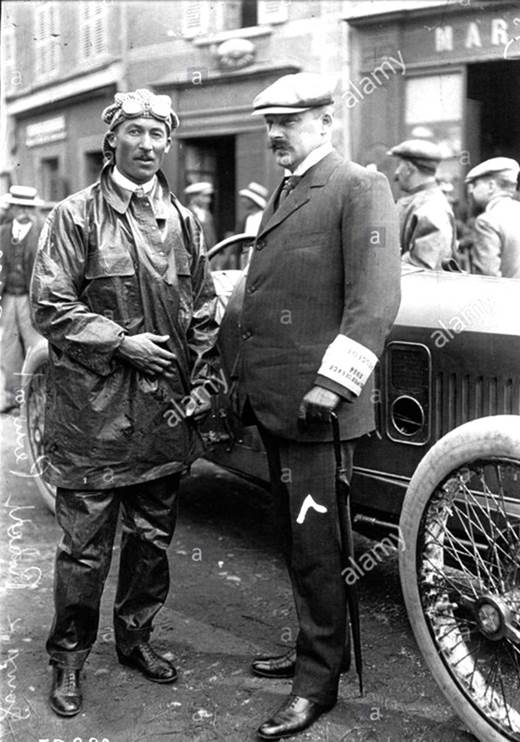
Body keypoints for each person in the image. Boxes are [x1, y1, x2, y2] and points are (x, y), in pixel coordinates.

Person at [31, 89, 222, 717]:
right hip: (93, 412)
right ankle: (68, 657)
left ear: (169, 143)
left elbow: (201, 309)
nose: (147, 145)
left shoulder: (184, 221)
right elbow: (51, 306)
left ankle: (135, 638)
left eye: (158, 134)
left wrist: (203, 380)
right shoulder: (74, 215)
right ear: (112, 139)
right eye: (135, 132)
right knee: (84, 548)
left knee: (152, 540)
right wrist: (123, 344)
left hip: (163, 414)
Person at [237, 72, 401, 739]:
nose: (278, 132)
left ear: (326, 119)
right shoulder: (288, 187)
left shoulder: (358, 186)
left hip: (319, 409)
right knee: (296, 540)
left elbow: (375, 301)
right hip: (279, 405)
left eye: (293, 119)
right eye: (271, 121)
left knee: (317, 547)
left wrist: (333, 385)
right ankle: (314, 646)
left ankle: (317, 684)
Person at [465, 157, 520, 280]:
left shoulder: (487, 222)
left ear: (491, 186)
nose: (471, 191)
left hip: (502, 298)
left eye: (475, 184)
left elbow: (486, 278)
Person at [0, 185, 44, 413]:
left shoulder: (41, 231)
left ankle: (36, 398)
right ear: (13, 207)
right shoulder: (3, 231)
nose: (23, 211)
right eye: (19, 206)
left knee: (35, 345)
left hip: (30, 297)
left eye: (27, 207)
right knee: (8, 346)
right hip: (8, 297)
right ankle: (12, 396)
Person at [388, 139, 457, 270]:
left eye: (399, 165)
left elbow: (422, 267)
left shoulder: (432, 208)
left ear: (409, 168)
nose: (396, 173)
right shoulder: (419, 201)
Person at [184, 181, 217, 248]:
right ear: (194, 197)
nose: (208, 200)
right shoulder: (187, 213)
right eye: (204, 196)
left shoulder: (207, 214)